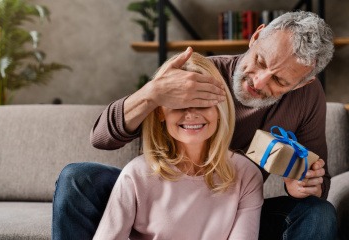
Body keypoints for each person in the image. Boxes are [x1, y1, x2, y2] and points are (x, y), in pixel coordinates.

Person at [52, 11, 337, 240]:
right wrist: (152, 93)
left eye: (280, 81)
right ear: (256, 36)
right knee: (77, 178)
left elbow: (317, 181)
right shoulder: (199, 74)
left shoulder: (306, 99)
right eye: (260, 61)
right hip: (159, 199)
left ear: (303, 83)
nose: (259, 81)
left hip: (231, 208)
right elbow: (101, 138)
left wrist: (304, 183)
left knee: (317, 212)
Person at [93, 52, 263, 239]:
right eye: (179, 105)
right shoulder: (136, 175)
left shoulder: (246, 175)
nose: (191, 114)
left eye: (202, 103)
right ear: (160, 113)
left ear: (219, 109)